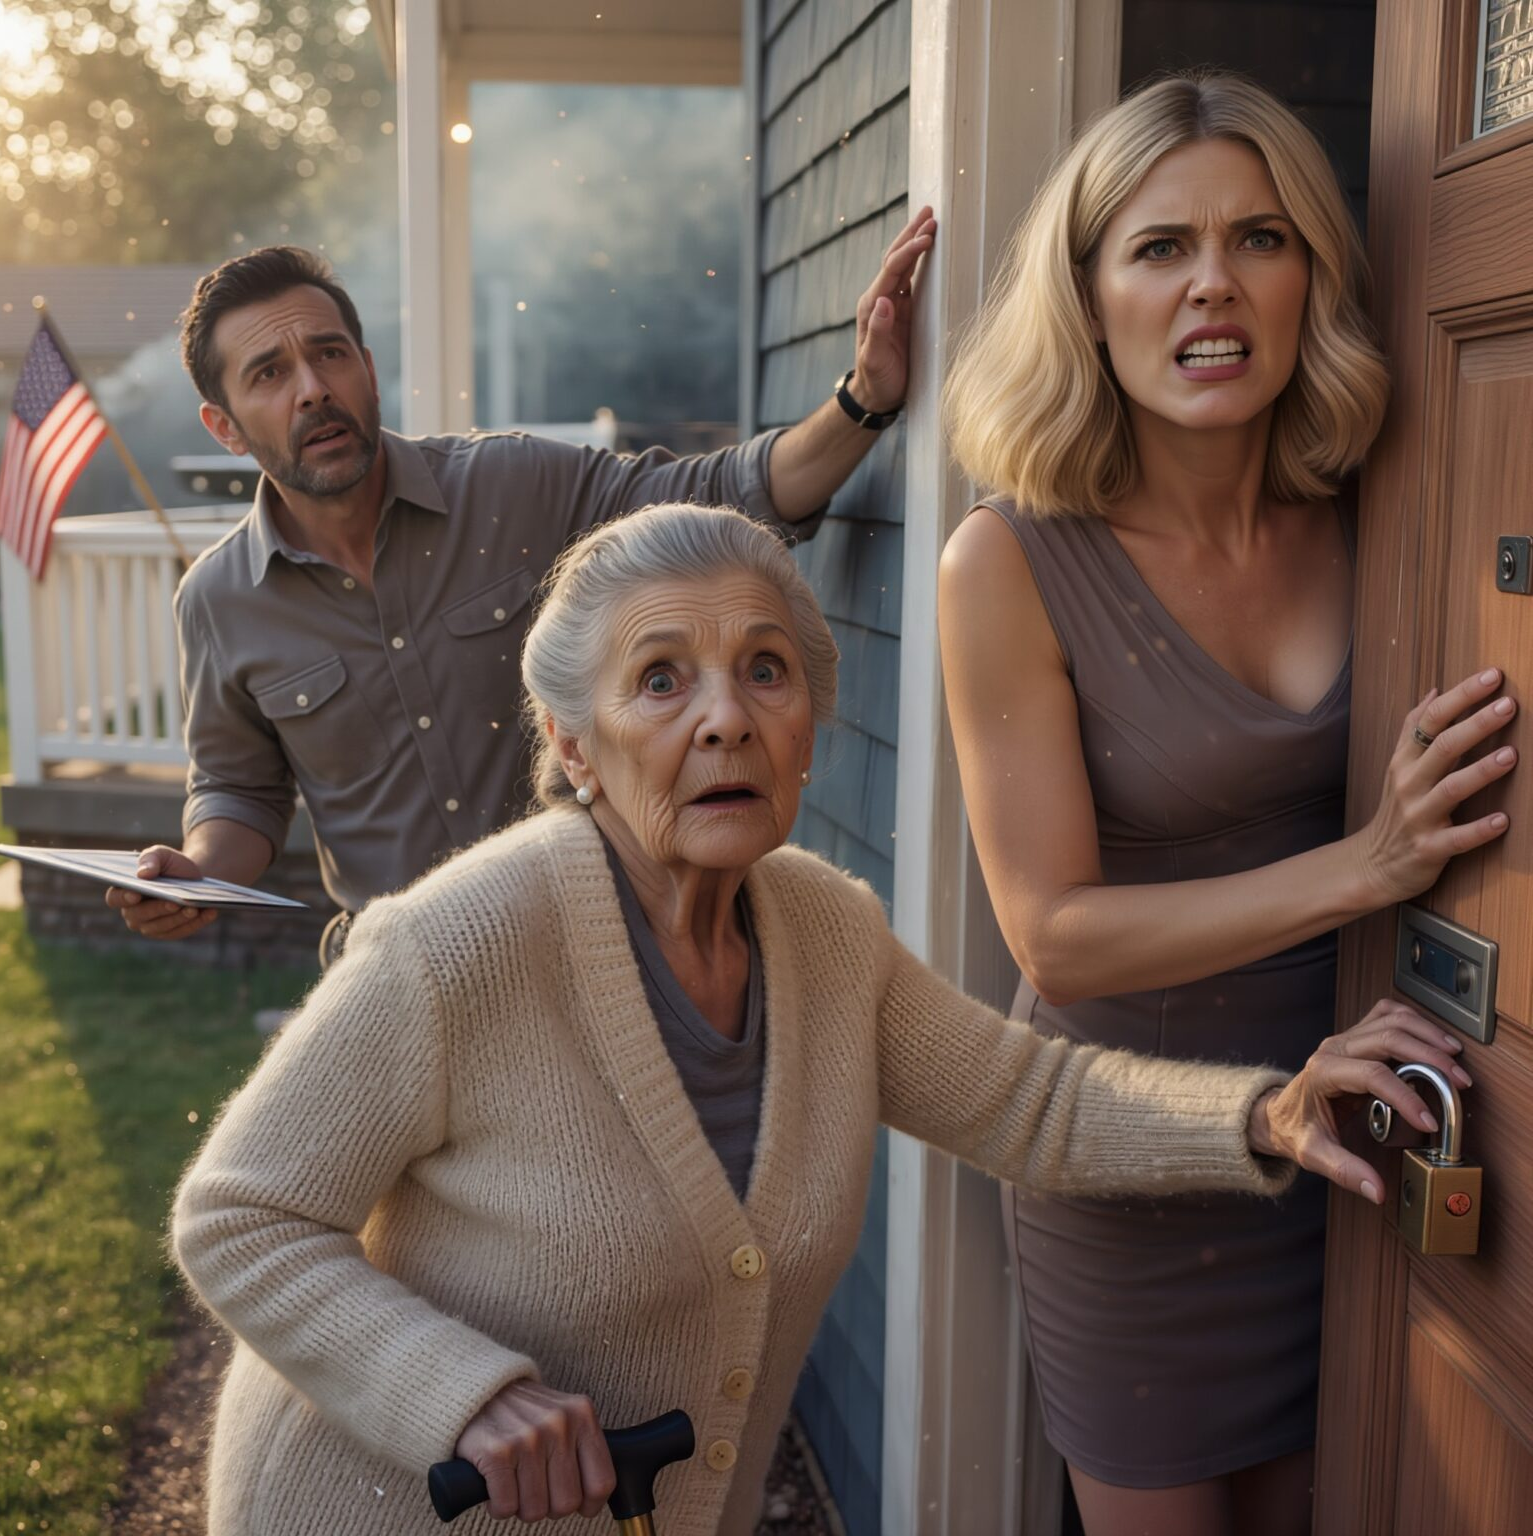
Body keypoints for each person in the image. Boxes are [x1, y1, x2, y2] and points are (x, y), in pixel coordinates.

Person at [172, 502, 1463, 1536]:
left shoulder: (824, 934)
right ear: (575, 746)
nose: (725, 714)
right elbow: (239, 1215)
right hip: (371, 1504)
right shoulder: (464, 943)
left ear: (809, 733)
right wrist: (460, 1397)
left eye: (765, 672)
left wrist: (1269, 1111)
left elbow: (1030, 1100)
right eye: (662, 680)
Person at [937, 72, 1513, 1536]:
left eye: (1260, 239)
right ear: (1087, 294)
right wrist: (1369, 864)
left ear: (1313, 275)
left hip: (1367, 1150)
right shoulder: (1004, 565)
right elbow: (1055, 936)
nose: (1214, 285)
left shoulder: (1383, 514)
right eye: (1159, 247)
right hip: (1136, 1163)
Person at [106, 215, 934, 961]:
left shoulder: (514, 489)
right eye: (268, 374)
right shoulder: (220, 600)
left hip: (590, 952)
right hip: (399, 977)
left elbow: (727, 493)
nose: (312, 388)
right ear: (225, 427)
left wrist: (864, 400)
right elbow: (240, 790)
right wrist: (198, 872)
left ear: (367, 369)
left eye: (329, 354)